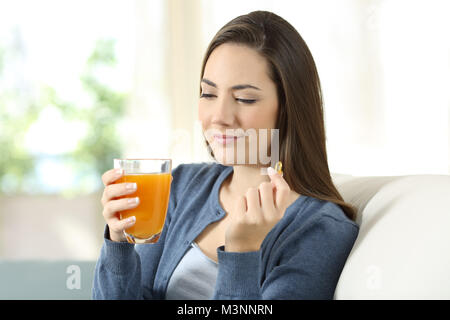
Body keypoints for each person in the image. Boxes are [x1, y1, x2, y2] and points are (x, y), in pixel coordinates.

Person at [92, 10, 359, 300]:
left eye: (244, 99)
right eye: (208, 94)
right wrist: (119, 242)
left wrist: (242, 251)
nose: (219, 116)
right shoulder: (183, 186)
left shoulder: (320, 231)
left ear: (288, 108)